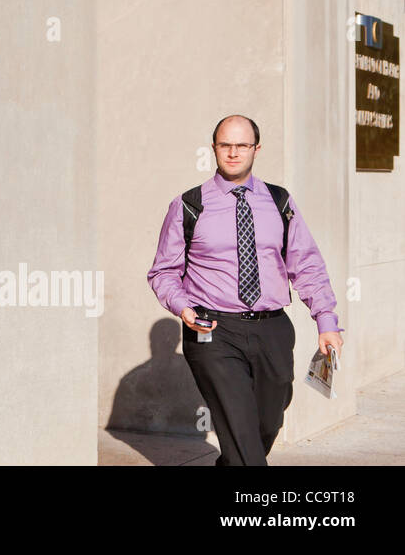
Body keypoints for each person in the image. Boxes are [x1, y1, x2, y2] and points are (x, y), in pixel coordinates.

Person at [147, 114, 344, 465]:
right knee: (240, 433)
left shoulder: (280, 201)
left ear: (256, 149)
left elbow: (307, 264)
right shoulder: (189, 205)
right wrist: (183, 307)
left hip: (273, 328)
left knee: (267, 422)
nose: (234, 153)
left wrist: (325, 320)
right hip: (213, 331)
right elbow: (163, 271)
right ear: (214, 148)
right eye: (226, 145)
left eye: (242, 145)